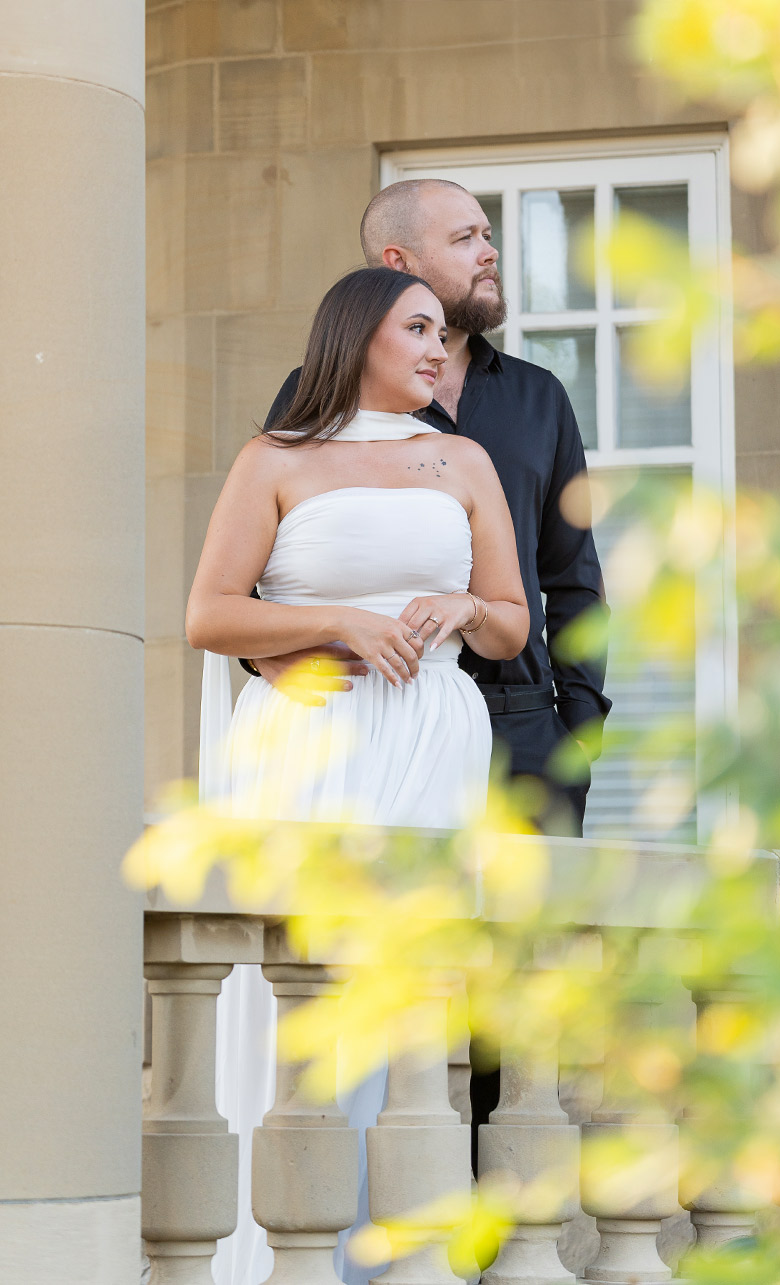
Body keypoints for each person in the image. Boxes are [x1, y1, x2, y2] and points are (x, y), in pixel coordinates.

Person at [251, 178, 612, 1169]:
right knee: (368, 984)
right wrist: (304, 689)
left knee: (509, 1007)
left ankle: (491, 1247)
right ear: (395, 266)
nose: (489, 250)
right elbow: (268, 571)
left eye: (490, 233)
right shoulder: (308, 404)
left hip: (519, 726)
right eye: (466, 236)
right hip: (378, 728)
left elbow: (569, 581)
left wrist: (573, 737)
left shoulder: (537, 397)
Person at [186, 265, 529, 1285]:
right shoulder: (274, 459)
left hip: (429, 736)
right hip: (313, 742)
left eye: (444, 332)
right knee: (311, 996)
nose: (437, 346)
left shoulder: (461, 460)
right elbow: (209, 613)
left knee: (409, 1005)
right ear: (355, 335)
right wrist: (336, 619)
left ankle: (390, 1258)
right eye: (417, 327)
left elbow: (511, 623)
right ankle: (296, 1254)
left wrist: (458, 611)